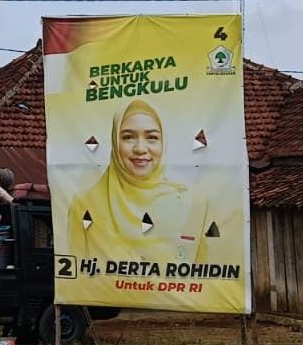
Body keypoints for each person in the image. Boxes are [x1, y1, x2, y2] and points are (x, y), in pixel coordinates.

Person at [68, 98, 219, 264]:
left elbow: (205, 278)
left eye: (152, 137)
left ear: (164, 143)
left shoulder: (194, 205)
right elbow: (77, 276)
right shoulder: (84, 204)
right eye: (128, 137)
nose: (140, 148)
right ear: (114, 142)